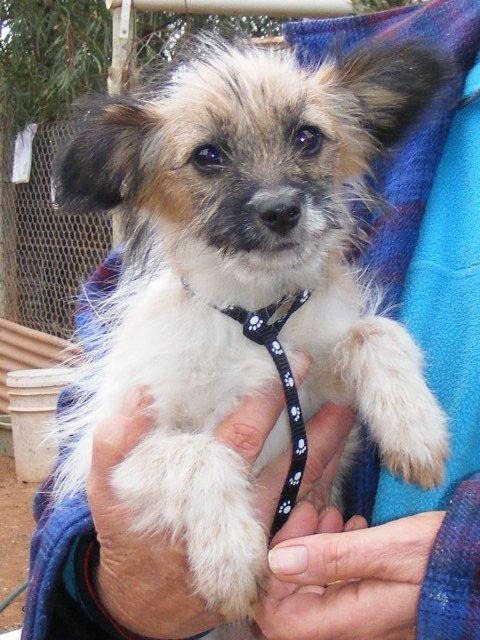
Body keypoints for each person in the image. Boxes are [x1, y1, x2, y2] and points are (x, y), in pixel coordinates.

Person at [22, 0, 480, 639]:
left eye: (306, 139)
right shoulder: (151, 330)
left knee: (373, 339)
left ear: (352, 147)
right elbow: (107, 468)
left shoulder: (337, 315)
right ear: (145, 181)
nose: (275, 192)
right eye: (208, 157)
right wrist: (112, 591)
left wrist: (382, 358)